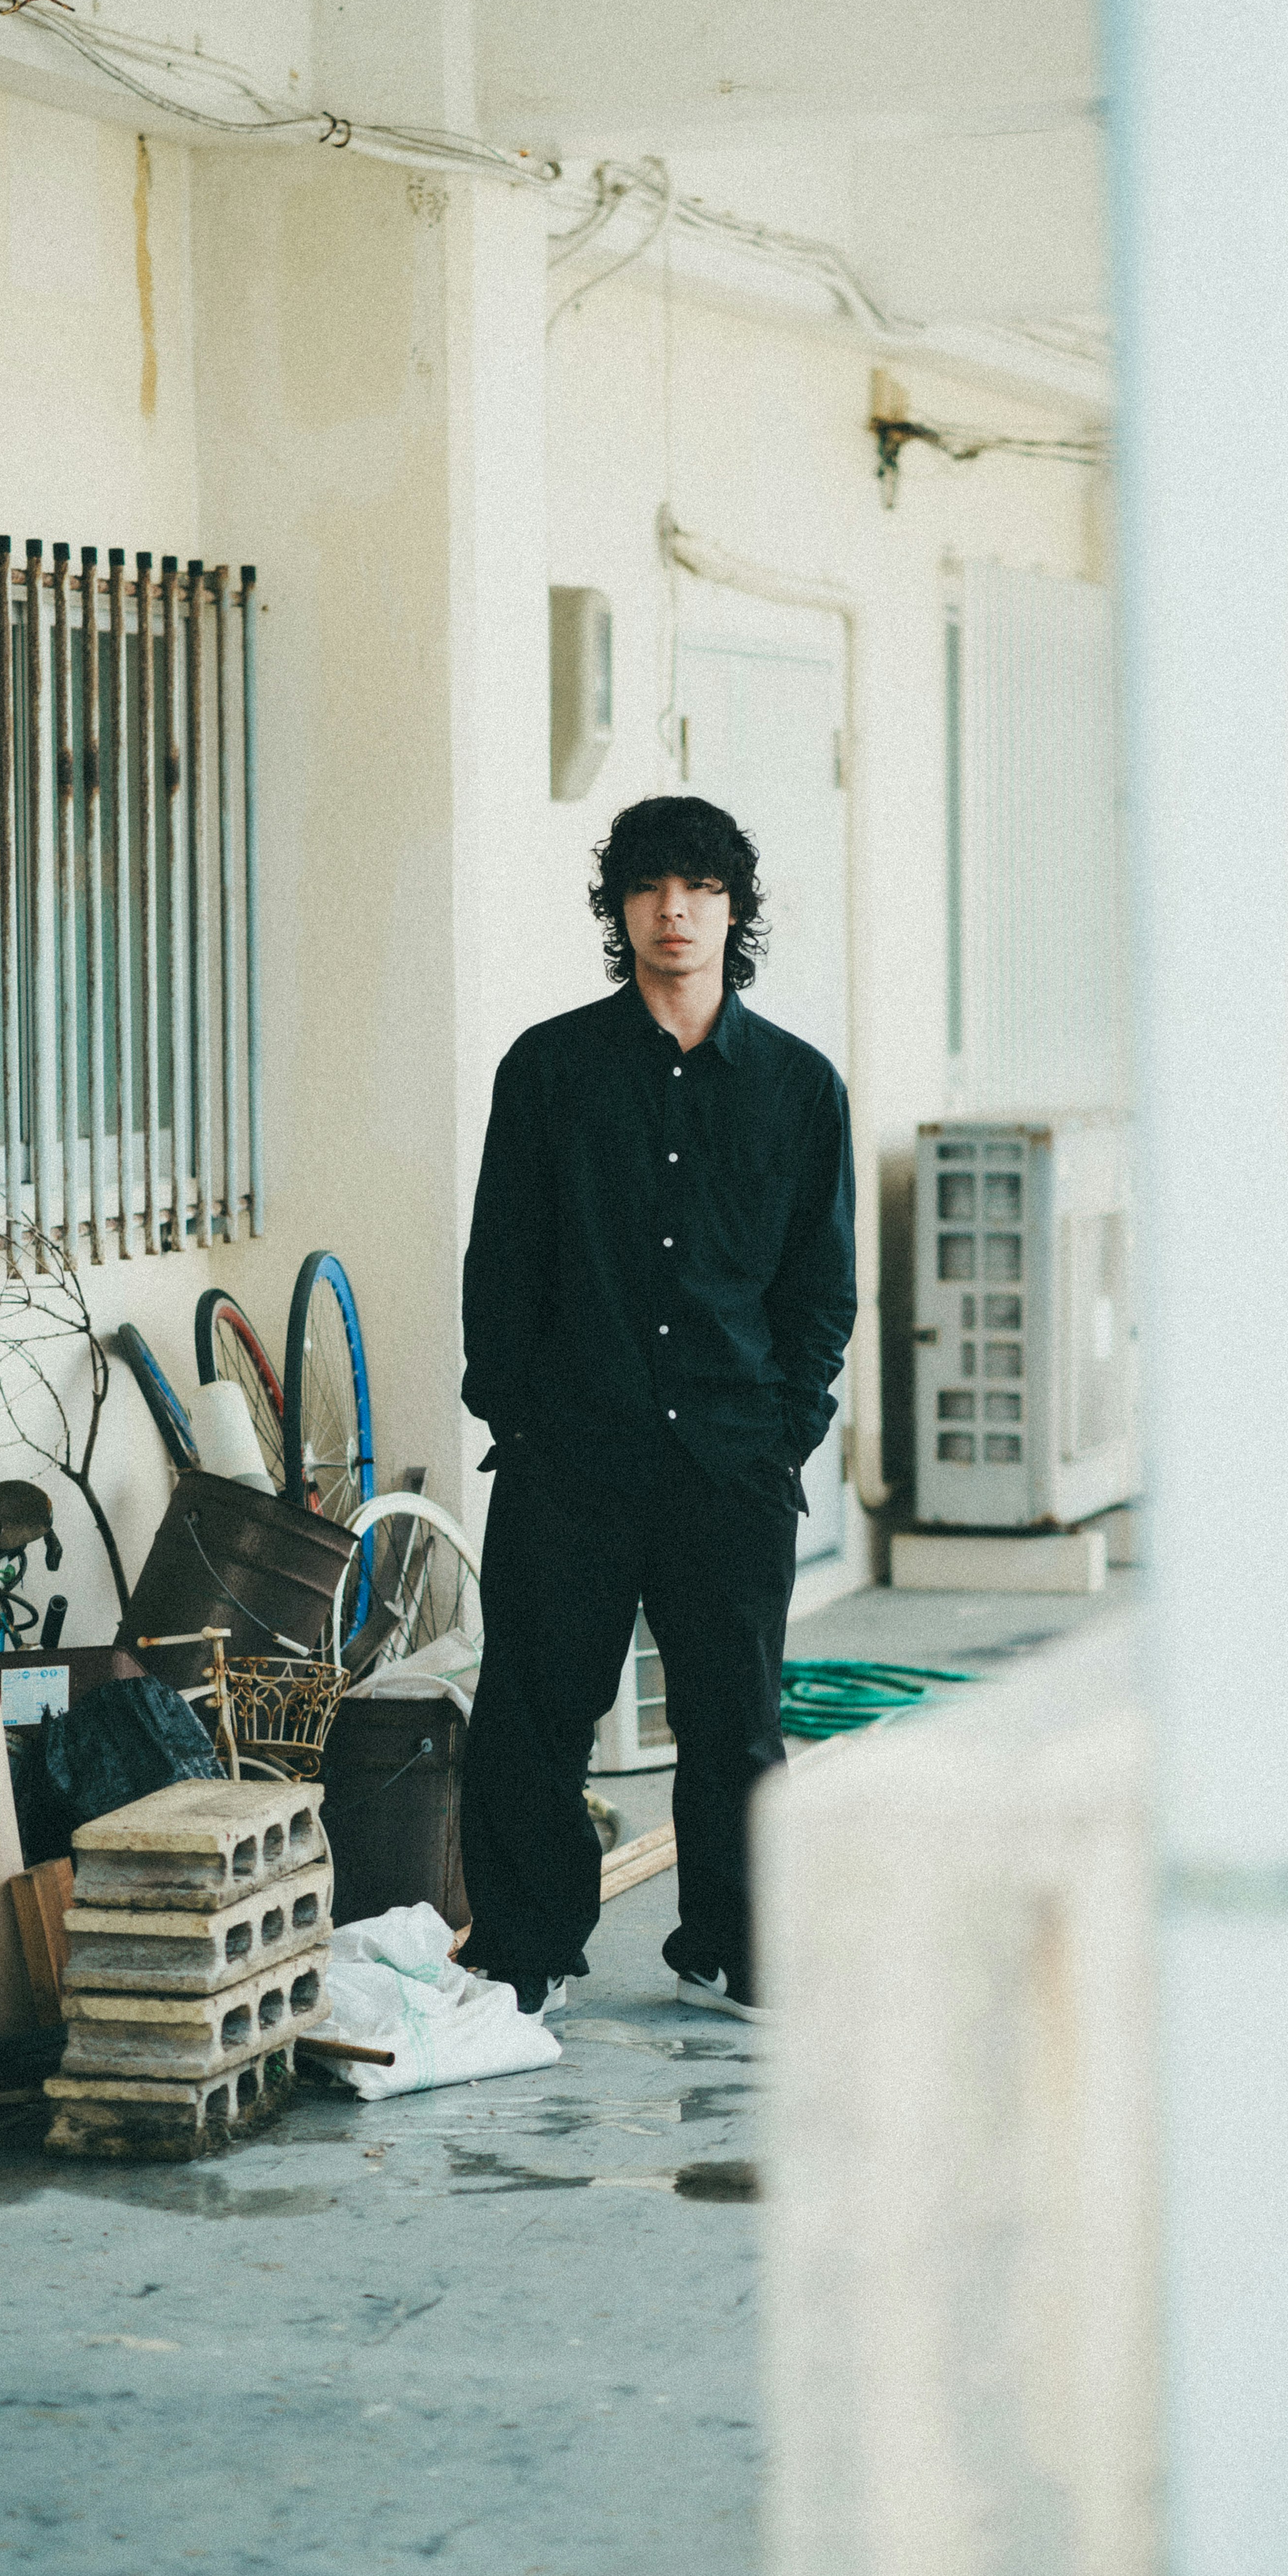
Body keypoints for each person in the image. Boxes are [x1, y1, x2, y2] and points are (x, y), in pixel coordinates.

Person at [457, 793, 856, 2023]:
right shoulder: (550, 1069)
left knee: (736, 1725)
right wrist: (520, 1422)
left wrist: (780, 1430)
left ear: (734, 909)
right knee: (534, 1716)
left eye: (696, 886)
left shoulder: (798, 1087)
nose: (671, 910)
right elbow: (501, 1268)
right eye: (647, 886)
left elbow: (820, 1290)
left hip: (730, 1462)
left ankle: (736, 1946)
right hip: (569, 1459)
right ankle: (526, 1953)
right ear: (618, 907)